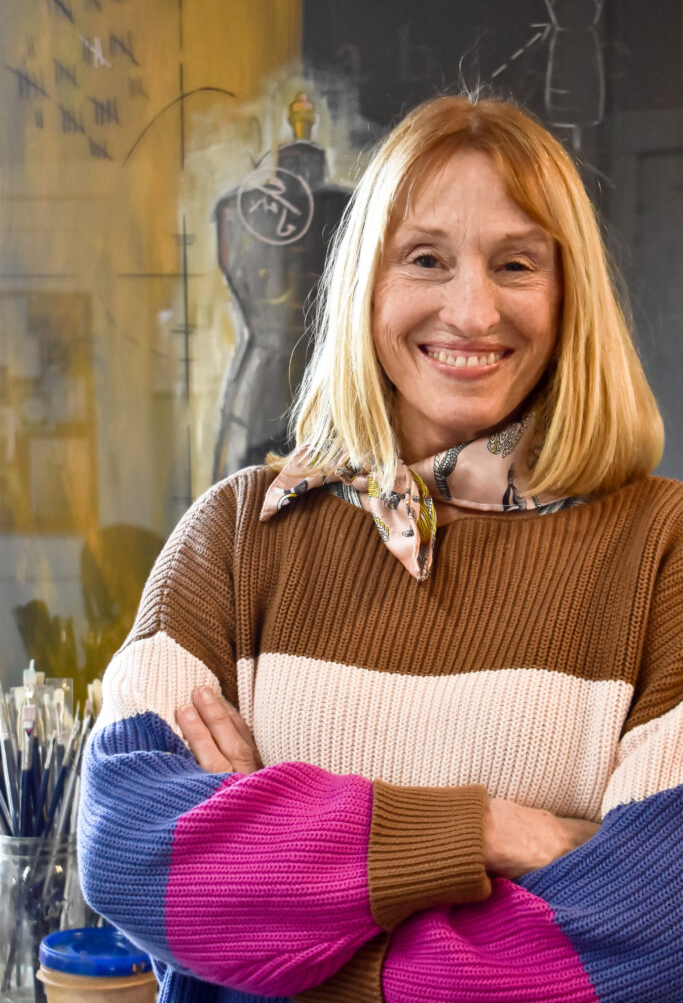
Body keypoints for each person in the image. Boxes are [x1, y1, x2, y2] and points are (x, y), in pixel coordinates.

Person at [78, 94, 682, 1003]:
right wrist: (478, 831)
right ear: (368, 283)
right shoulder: (239, 533)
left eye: (515, 263)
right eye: (425, 259)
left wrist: (283, 916)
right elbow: (130, 848)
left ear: (569, 297)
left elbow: (647, 933)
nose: (470, 309)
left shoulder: (663, 551)